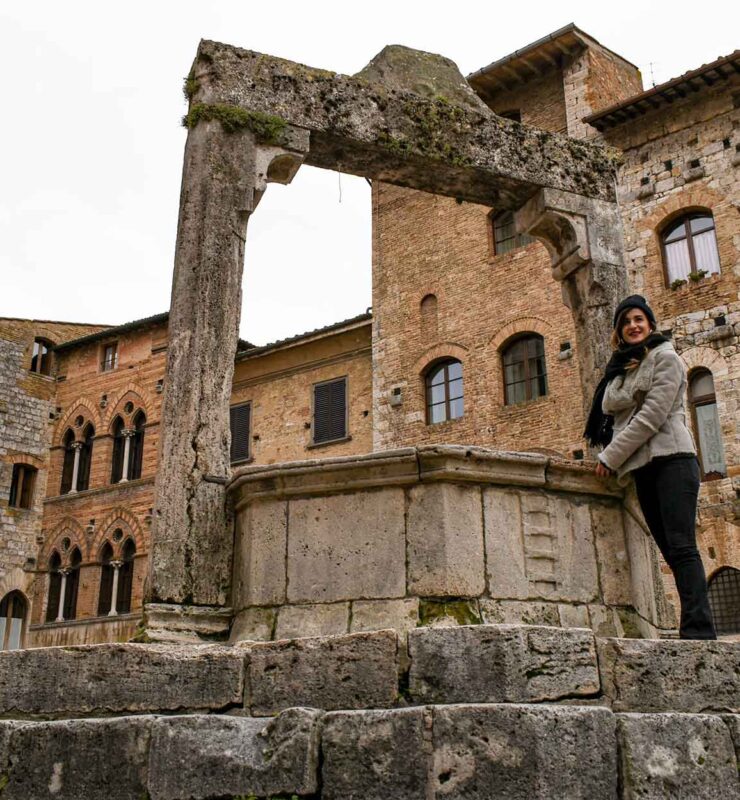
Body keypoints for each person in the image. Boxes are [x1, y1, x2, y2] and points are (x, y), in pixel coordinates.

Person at [584, 294, 716, 640]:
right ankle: (692, 625)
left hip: (673, 460)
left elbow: (651, 417)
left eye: (639, 319)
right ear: (619, 331)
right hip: (643, 467)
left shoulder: (666, 358)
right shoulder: (621, 370)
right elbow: (617, 416)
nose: (633, 326)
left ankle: (699, 632)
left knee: (683, 546)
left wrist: (610, 457)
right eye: (626, 321)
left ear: (651, 325)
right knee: (669, 551)